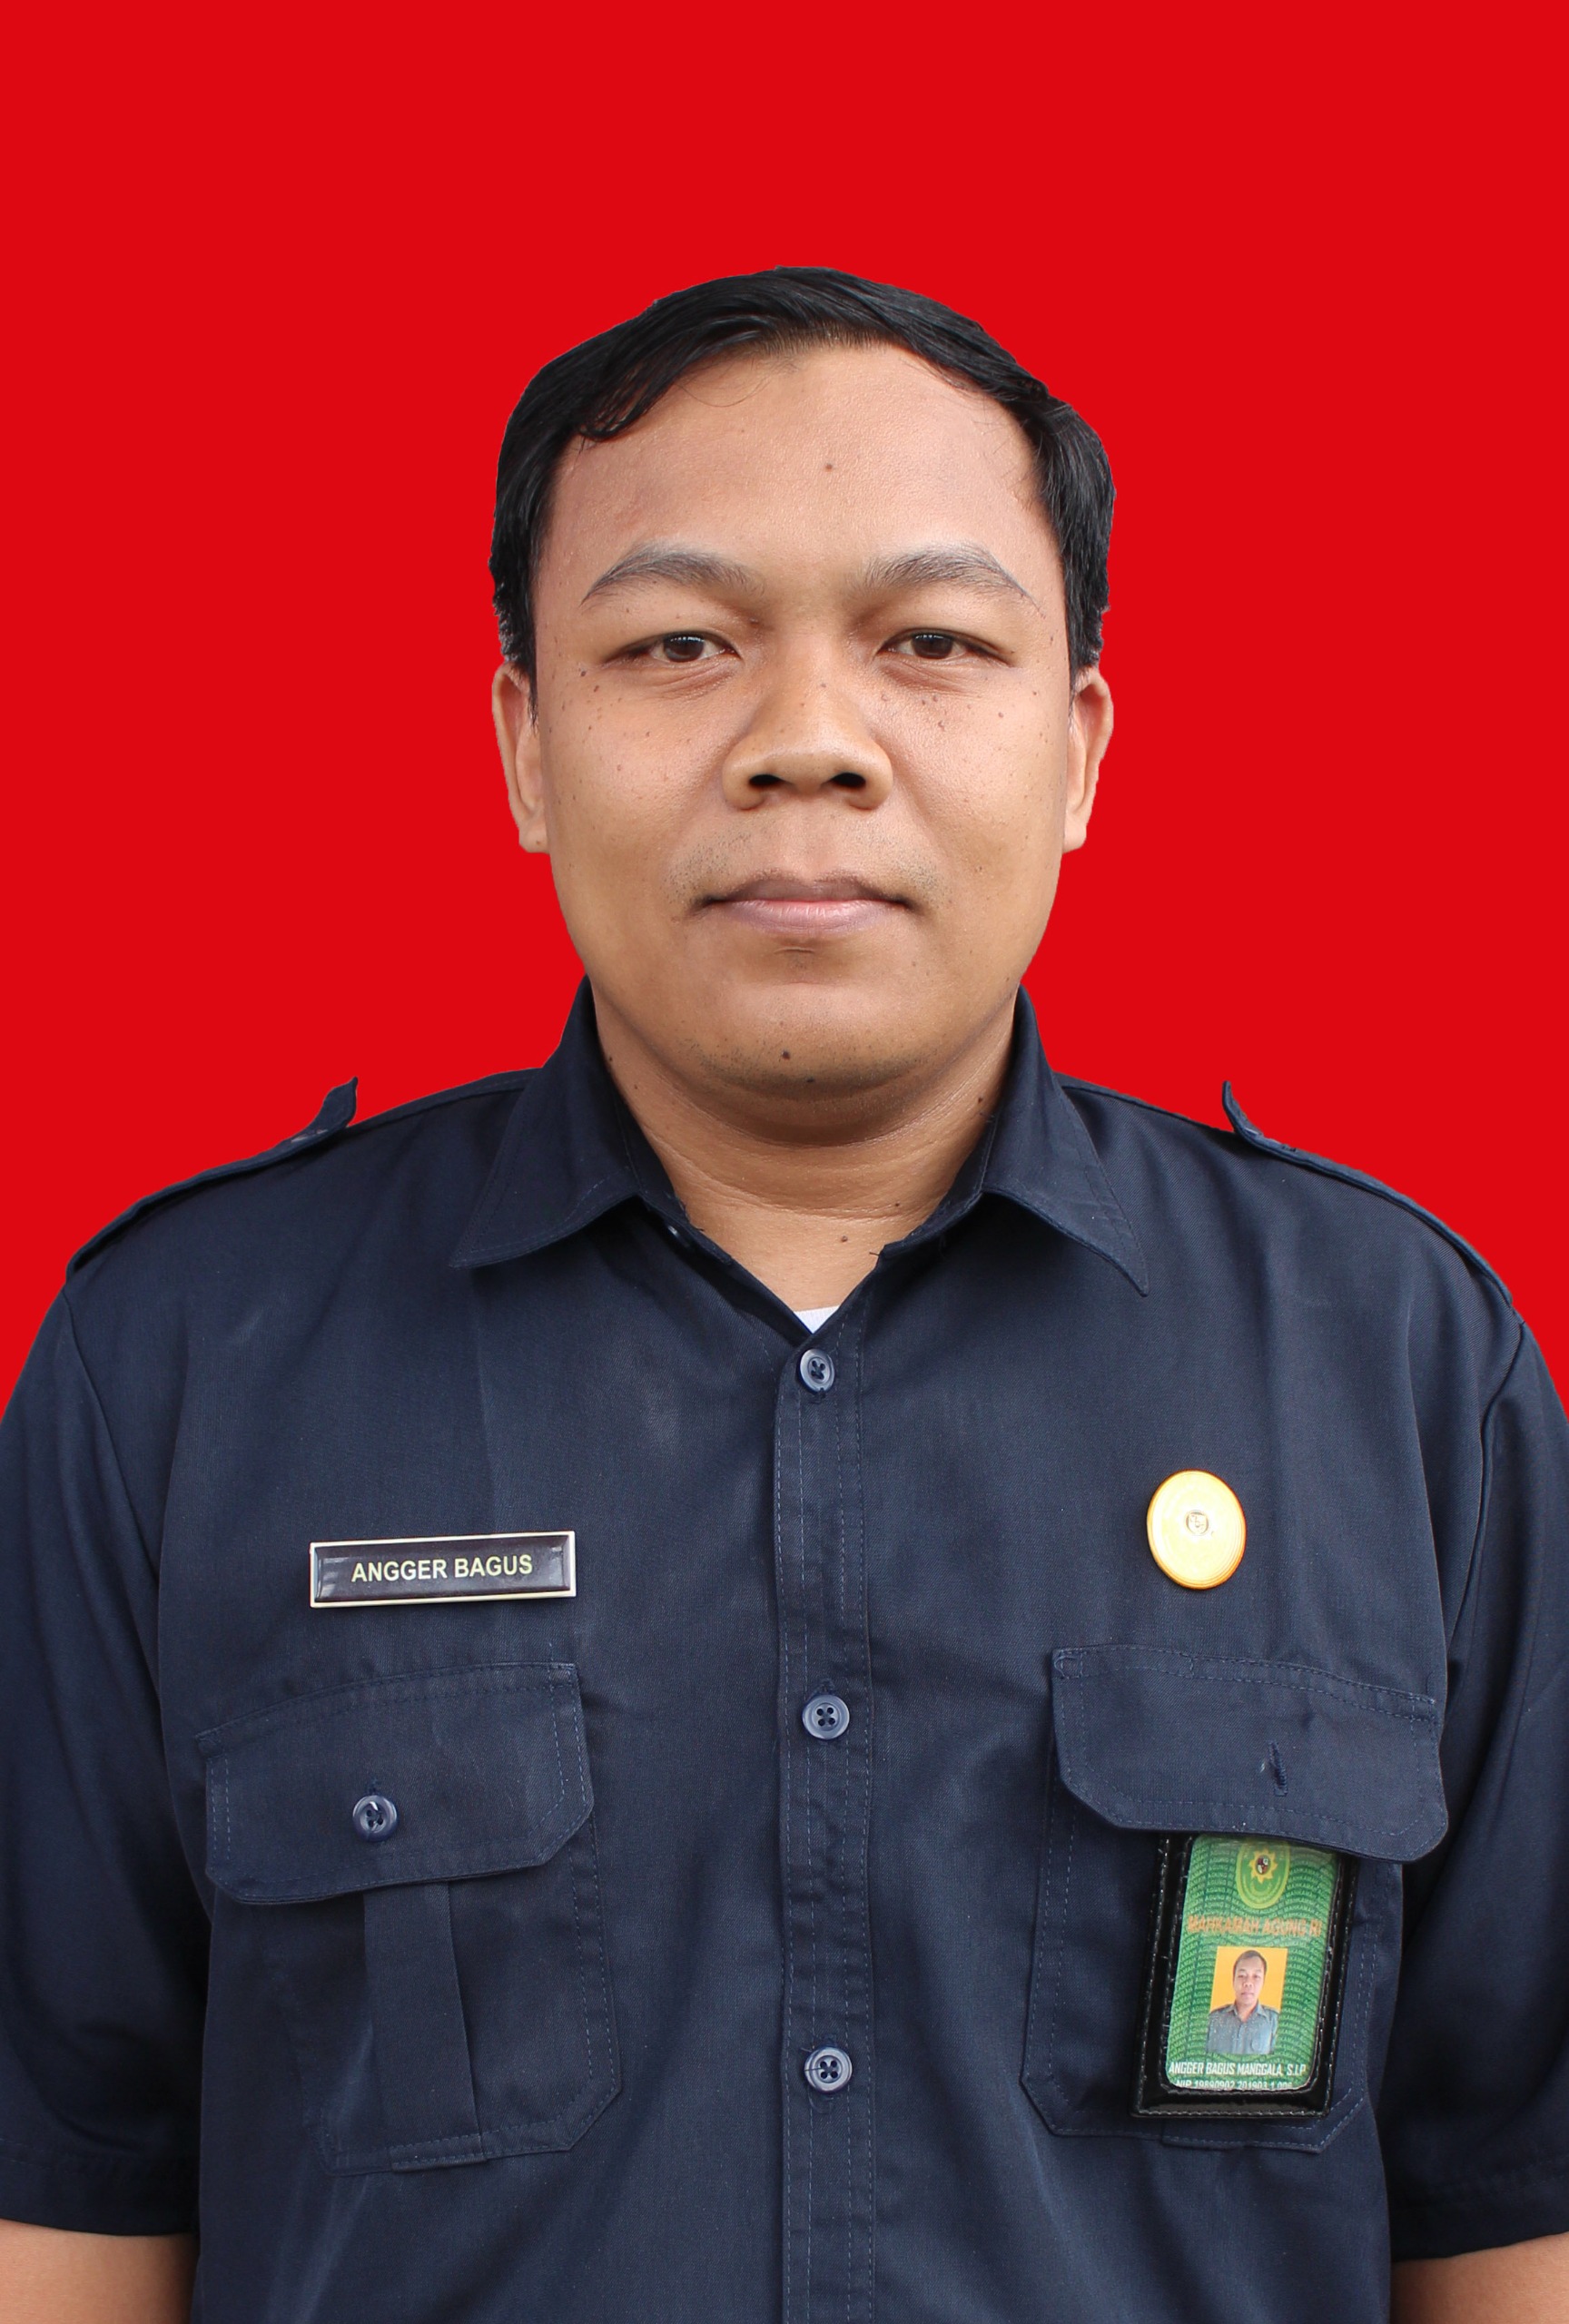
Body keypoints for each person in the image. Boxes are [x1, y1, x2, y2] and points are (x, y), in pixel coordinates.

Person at [0, 268, 1564, 2324]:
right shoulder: (182, 1366)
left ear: (1077, 746)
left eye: (929, 642)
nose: (805, 743)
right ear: (524, 744)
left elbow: (1503, 2203)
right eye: (678, 645)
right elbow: (69, 2193)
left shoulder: (1396, 1366)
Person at [1207, 1951, 1278, 2056]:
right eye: (1242, 1976)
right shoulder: (1213, 2020)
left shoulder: (1274, 2022)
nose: (1248, 1983)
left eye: (1256, 1976)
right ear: (1233, 1980)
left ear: (1263, 1982)